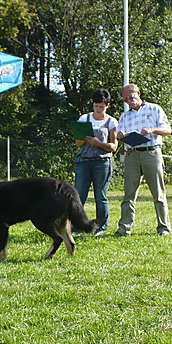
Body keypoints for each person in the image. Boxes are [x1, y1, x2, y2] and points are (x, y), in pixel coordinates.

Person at [114, 83, 172, 237]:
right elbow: (121, 133)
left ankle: (163, 227)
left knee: (158, 193)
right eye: (126, 99)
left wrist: (152, 130)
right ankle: (124, 228)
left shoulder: (154, 109)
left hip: (151, 153)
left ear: (138, 93)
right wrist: (120, 135)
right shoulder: (125, 116)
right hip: (132, 154)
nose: (129, 101)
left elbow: (168, 130)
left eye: (131, 97)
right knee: (129, 193)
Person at [74, 89, 118, 236]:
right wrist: (84, 137)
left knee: (101, 195)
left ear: (107, 105)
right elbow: (78, 143)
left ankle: (101, 226)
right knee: (79, 195)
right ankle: (77, 225)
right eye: (96, 106)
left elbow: (113, 146)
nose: (98, 109)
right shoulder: (84, 119)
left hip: (102, 162)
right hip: (83, 162)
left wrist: (99, 143)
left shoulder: (111, 122)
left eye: (102, 106)